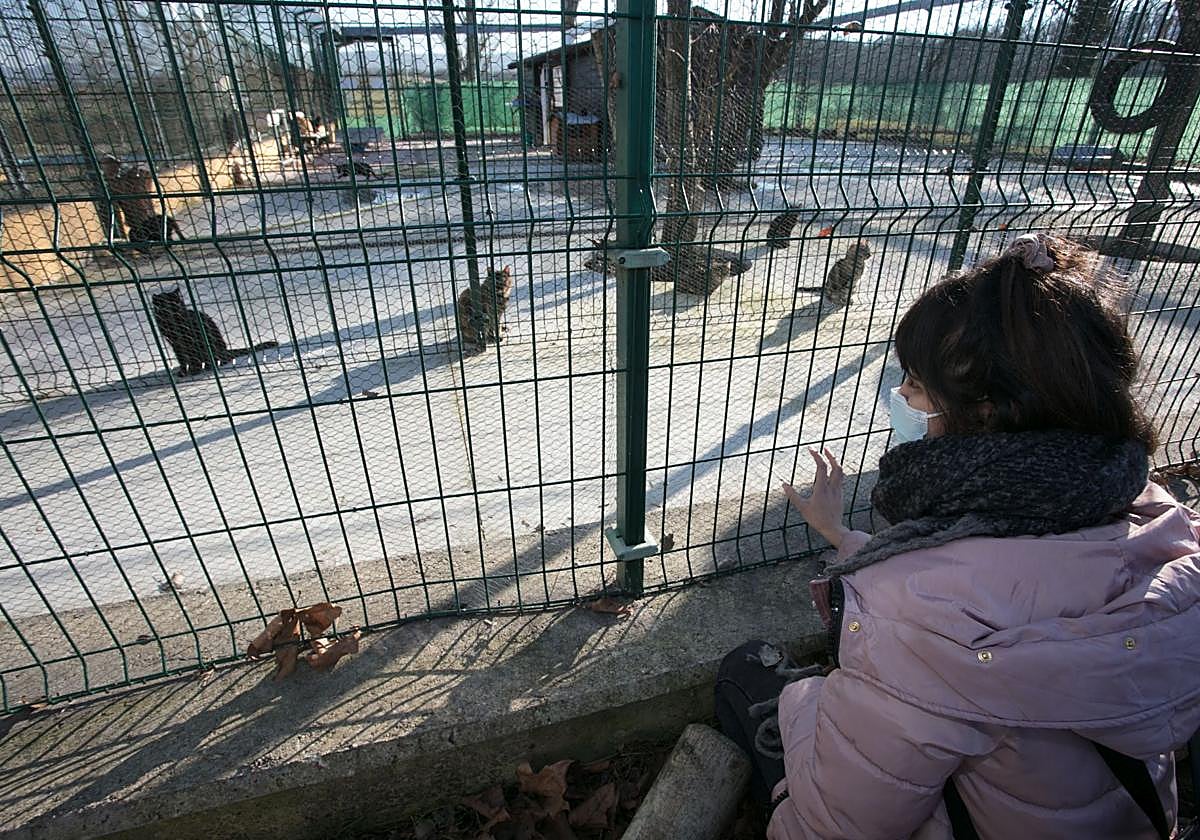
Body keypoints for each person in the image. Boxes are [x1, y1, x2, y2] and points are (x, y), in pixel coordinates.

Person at [716, 233, 1200, 839]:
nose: (900, 398)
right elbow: (1003, 587)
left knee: (746, 677)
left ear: (987, 412)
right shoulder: (1154, 517)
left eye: (915, 385)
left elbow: (831, 829)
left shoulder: (915, 612)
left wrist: (802, 705)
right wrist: (843, 538)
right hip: (1128, 819)